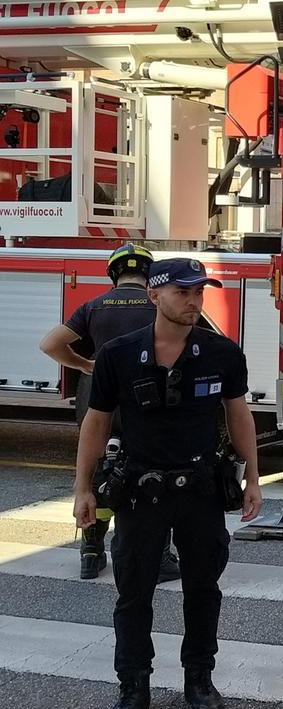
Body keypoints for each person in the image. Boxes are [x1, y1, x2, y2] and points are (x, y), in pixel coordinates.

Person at [71, 257, 263, 709]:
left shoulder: (222, 353)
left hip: (200, 490)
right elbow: (95, 423)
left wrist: (255, 478)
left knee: (203, 589)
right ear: (154, 296)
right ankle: (133, 689)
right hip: (140, 492)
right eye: (183, 292)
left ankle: (199, 680)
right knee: (133, 595)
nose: (194, 301)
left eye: (199, 292)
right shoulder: (117, 354)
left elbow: (239, 416)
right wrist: (82, 487)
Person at [39, 243, 180, 583]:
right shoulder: (157, 304)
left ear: (114, 273)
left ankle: (91, 551)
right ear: (149, 274)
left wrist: (86, 365)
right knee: (157, 474)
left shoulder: (93, 306)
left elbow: (50, 344)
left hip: (98, 402)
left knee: (100, 474)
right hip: (145, 404)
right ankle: (159, 556)